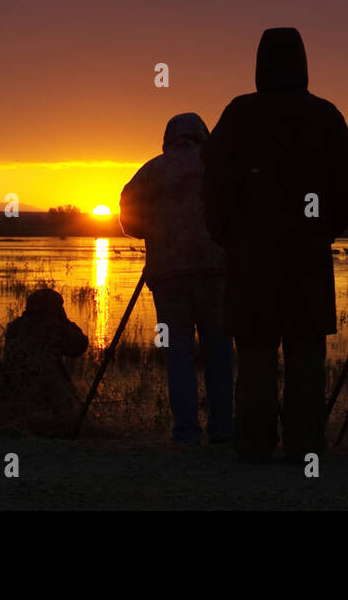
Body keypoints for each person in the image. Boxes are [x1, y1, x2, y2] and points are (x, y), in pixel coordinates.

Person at [202, 28, 348, 463]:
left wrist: (228, 233)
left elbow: (212, 180)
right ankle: (304, 447)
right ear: (303, 63)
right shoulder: (324, 115)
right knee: (306, 354)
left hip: (252, 257)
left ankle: (253, 446)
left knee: (254, 354)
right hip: (306, 257)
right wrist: (326, 227)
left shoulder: (239, 114)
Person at [120, 112, 233, 445]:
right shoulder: (221, 167)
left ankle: (185, 433)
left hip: (168, 277)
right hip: (217, 275)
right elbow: (240, 212)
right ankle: (223, 429)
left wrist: (154, 231)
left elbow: (128, 221)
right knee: (220, 352)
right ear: (203, 135)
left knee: (177, 354)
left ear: (169, 138)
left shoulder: (151, 171)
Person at [0, 288, 89, 437]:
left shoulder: (15, 326)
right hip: (46, 389)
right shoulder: (53, 326)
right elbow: (80, 345)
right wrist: (65, 322)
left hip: (11, 385)